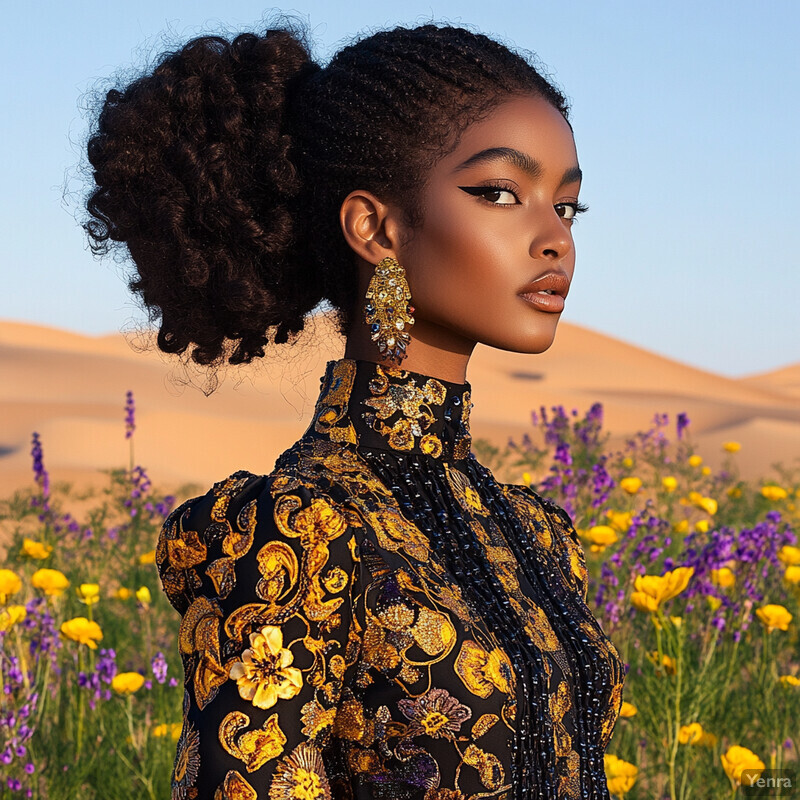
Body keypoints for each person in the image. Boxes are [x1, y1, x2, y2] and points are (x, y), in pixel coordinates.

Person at [84, 19, 625, 800]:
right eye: (501, 193)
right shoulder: (296, 533)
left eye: (567, 207)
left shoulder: (539, 536)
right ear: (375, 228)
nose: (554, 240)